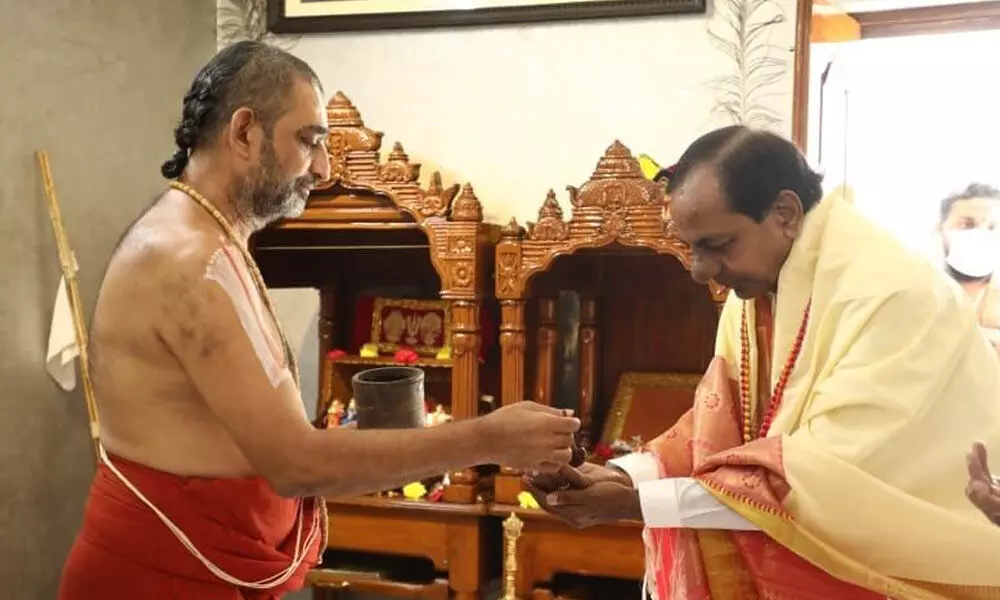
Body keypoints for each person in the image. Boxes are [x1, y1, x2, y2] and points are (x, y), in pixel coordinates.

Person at [58, 41, 580, 600]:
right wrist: (487, 437)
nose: (325, 170)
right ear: (244, 133)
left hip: (203, 562)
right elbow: (294, 463)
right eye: (309, 141)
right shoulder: (189, 260)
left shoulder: (207, 239)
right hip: (159, 575)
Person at [525, 126, 1000, 599]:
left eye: (717, 244)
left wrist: (637, 501)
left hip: (912, 567)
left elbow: (822, 474)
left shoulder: (893, 293)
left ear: (785, 213)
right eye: (692, 247)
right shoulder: (760, 284)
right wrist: (625, 473)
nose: (699, 270)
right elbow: (721, 426)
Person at [938, 183, 1000, 356]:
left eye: (992, 227)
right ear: (940, 230)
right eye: (967, 225)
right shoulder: (918, 291)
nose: (980, 235)